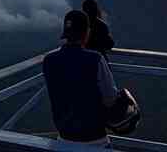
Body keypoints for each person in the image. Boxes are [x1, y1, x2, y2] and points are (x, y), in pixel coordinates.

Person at [43, 10, 120, 145]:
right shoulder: (95, 59)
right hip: (94, 138)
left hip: (64, 138)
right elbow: (111, 98)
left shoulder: (49, 60)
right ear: (87, 32)